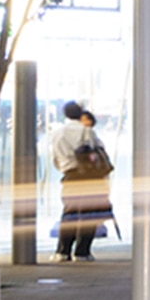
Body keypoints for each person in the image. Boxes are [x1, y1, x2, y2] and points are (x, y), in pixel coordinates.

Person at [48, 101, 111, 260]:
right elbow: (97, 152)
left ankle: (62, 251)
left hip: (70, 175)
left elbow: (55, 157)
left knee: (70, 212)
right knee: (88, 214)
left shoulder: (58, 133)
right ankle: (82, 252)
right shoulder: (86, 131)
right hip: (90, 176)